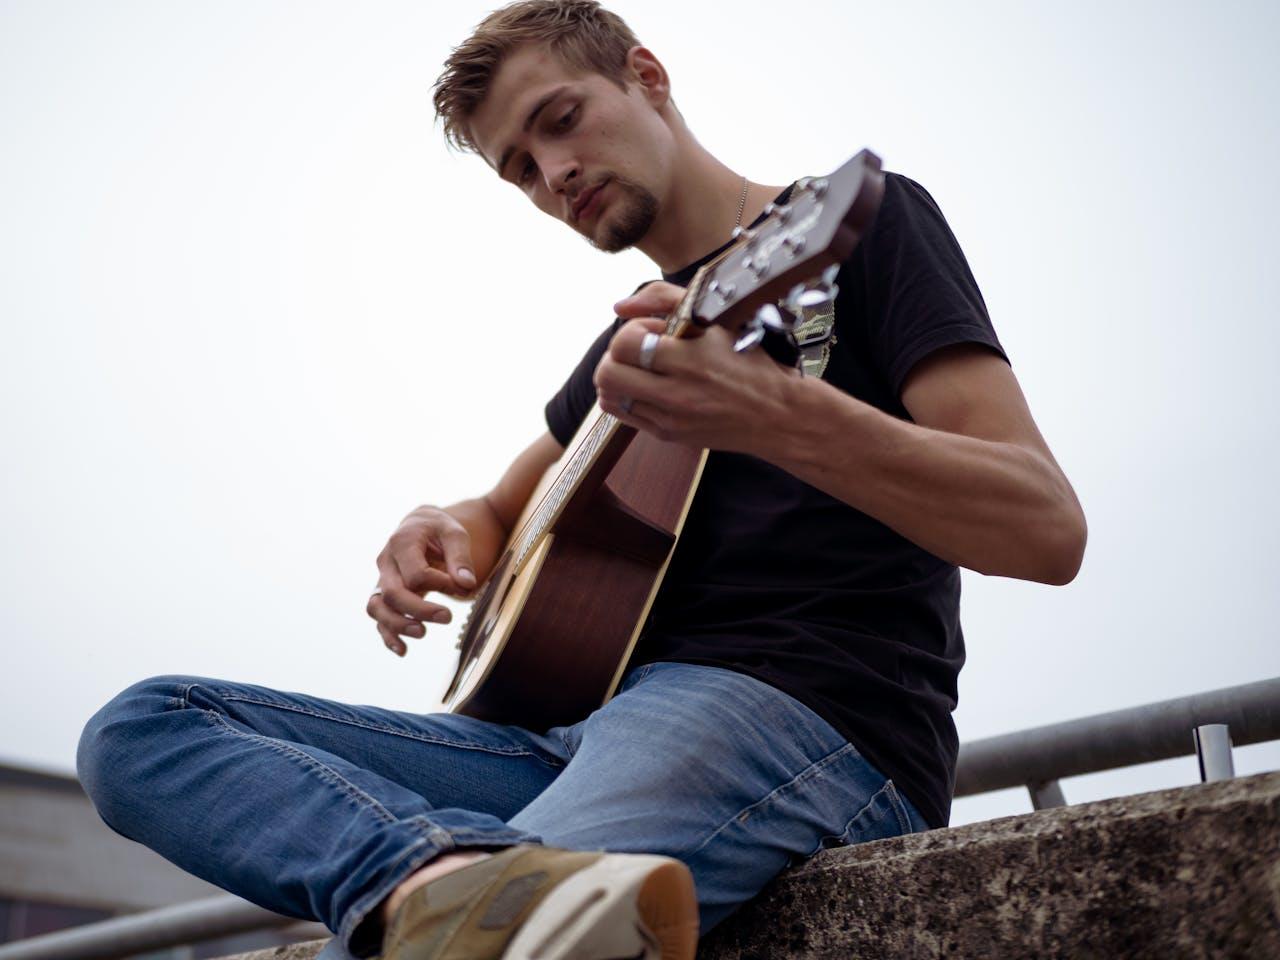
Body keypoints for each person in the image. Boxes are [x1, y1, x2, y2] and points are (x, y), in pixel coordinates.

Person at [76, 2, 1087, 959]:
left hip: (796, 719)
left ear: (645, 77)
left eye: (561, 122)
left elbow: (1043, 528)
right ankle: (426, 875)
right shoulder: (627, 353)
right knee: (143, 727)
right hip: (561, 742)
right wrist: (446, 527)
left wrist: (773, 411)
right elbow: (504, 509)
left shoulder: (857, 233)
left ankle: (436, 892)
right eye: (518, 168)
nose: (553, 173)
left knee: (458, 942)